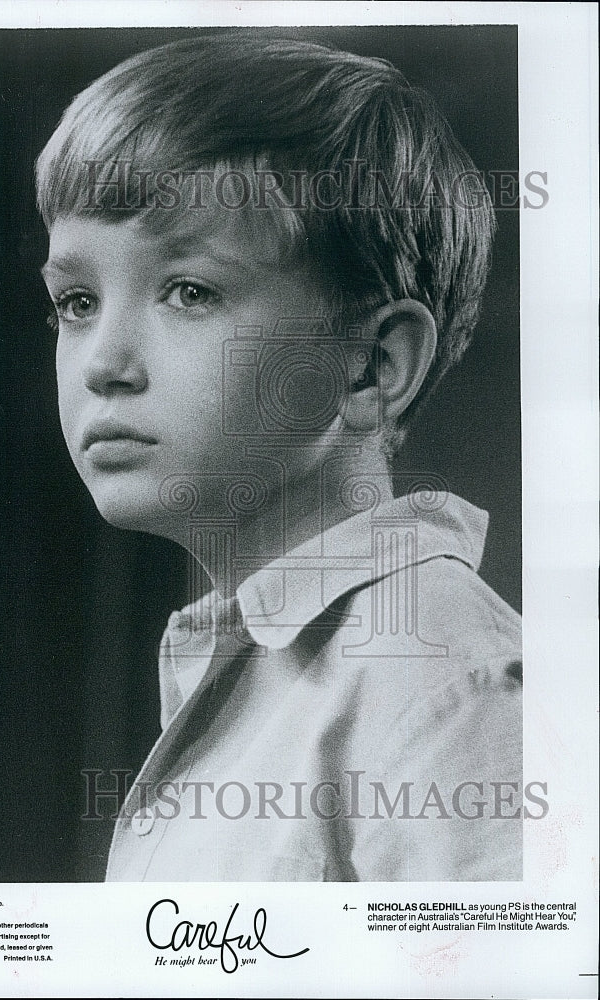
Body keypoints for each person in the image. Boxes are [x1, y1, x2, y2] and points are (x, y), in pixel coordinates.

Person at [35, 33, 523, 881]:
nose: (102, 363)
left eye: (190, 292)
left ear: (372, 366)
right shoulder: (254, 680)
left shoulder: (449, 686)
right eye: (76, 301)